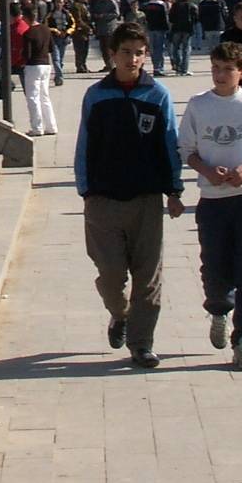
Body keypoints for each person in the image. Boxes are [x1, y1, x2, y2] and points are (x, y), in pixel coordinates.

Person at [74, 20, 186, 368]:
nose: (132, 59)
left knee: (148, 275)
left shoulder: (157, 95)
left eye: (139, 53)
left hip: (145, 197)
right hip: (103, 197)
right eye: (125, 52)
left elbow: (169, 142)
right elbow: (85, 144)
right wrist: (85, 188)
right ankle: (119, 314)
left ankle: (142, 342)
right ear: (112, 54)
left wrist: (174, 188)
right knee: (110, 274)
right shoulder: (97, 95)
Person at [179, 39, 242, 372]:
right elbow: (187, 150)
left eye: (227, 70)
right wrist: (207, 169)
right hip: (213, 199)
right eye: (215, 69)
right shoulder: (198, 105)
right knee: (215, 266)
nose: (220, 75)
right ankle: (219, 308)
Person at [21, 5, 59, 135]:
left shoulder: (28, 33)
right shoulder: (46, 30)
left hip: (33, 66)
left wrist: (23, 61)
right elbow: (51, 48)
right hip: (46, 64)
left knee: (33, 97)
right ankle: (51, 126)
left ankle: (37, 127)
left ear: (25, 17)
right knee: (45, 96)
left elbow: (27, 54)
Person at [141, 0, 173, 77]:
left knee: (153, 48)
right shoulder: (162, 4)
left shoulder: (149, 4)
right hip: (160, 28)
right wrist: (168, 28)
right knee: (159, 49)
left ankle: (155, 66)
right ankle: (159, 68)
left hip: (151, 28)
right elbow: (165, 17)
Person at [168, 0, 196, 76]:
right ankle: (184, 69)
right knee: (186, 49)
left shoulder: (175, 5)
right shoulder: (191, 5)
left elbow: (171, 18)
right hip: (187, 29)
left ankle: (178, 67)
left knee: (176, 48)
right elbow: (195, 17)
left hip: (176, 28)